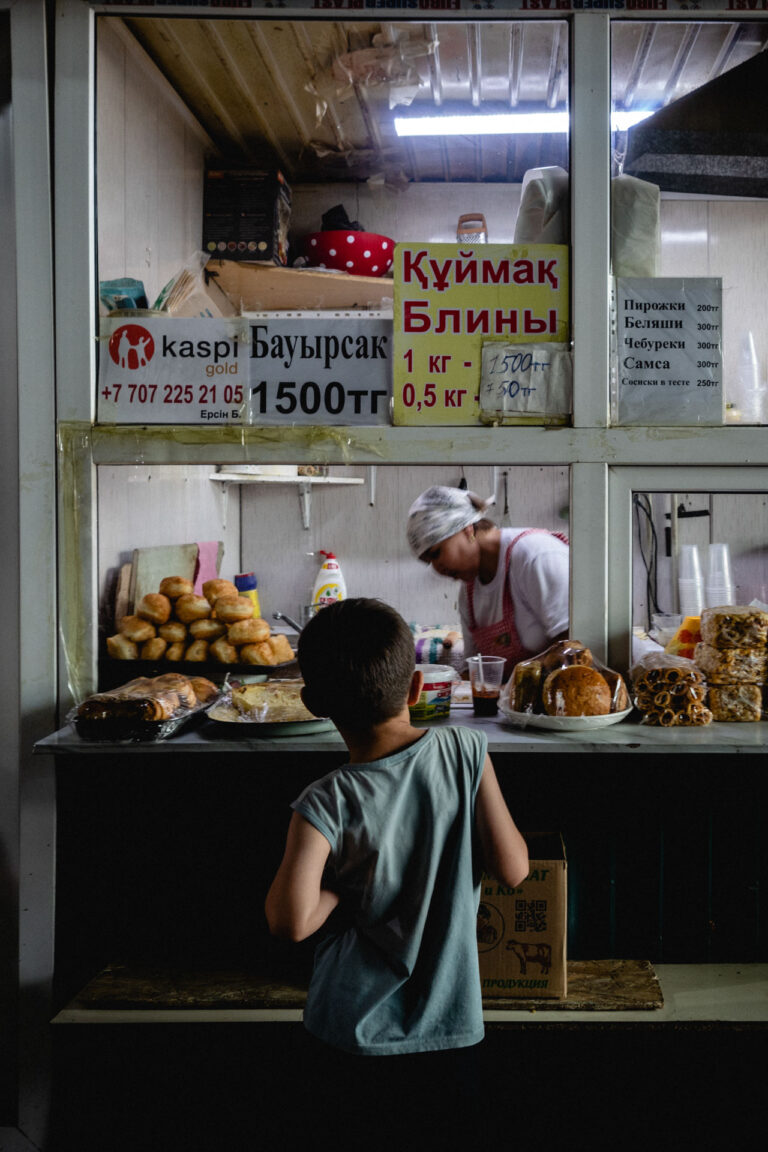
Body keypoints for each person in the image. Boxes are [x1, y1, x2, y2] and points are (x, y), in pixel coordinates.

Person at [264, 598, 528, 1144]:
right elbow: (514, 868)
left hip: (349, 1033)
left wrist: (337, 894)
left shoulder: (325, 801)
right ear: (413, 688)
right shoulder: (466, 751)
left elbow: (290, 922)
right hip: (451, 1031)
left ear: (313, 703)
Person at [407, 484, 570, 677]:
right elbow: (473, 669)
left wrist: (513, 686)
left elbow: (573, 646)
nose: (436, 568)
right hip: (509, 704)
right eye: (428, 562)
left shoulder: (535, 556)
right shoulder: (469, 590)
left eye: (436, 553)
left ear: (466, 529)